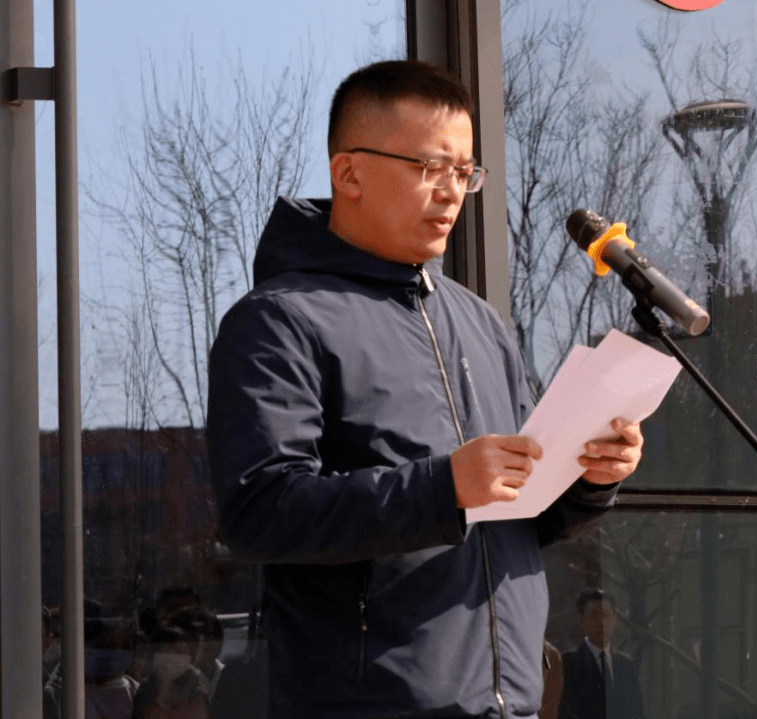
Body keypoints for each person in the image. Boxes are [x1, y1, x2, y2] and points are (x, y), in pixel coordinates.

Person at [206, 59, 645, 719]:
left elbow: (527, 515)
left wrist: (589, 476)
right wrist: (443, 488)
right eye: (430, 167)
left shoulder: (481, 323)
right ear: (348, 172)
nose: (451, 192)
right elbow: (260, 512)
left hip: (514, 704)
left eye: (464, 172)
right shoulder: (279, 320)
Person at [559, 589, 646, 719]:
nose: (601, 623)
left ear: (615, 620)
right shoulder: (567, 662)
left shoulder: (626, 664)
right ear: (581, 619)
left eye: (606, 615)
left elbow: (637, 712)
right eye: (594, 616)